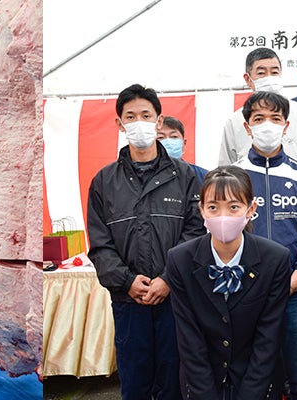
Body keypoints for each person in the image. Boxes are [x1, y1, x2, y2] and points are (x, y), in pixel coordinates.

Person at [87, 84, 204, 400]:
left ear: (158, 120)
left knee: (175, 382)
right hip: (129, 303)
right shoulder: (104, 181)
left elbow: (195, 234)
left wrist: (167, 279)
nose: (138, 122)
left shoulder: (185, 177)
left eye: (146, 115)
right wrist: (126, 282)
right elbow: (99, 244)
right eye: (130, 116)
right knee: (135, 382)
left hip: (175, 301)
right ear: (119, 124)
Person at [165, 165, 290, 399]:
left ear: (251, 209)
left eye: (234, 207)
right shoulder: (180, 259)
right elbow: (189, 337)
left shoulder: (275, 259)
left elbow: (269, 336)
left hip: (258, 382)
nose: (223, 216)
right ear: (201, 210)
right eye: (213, 207)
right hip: (202, 381)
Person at [235, 92, 297, 400]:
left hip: (295, 291)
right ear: (247, 127)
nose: (267, 126)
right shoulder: (232, 177)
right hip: (244, 291)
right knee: (253, 373)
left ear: (286, 126)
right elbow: (222, 233)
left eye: (275, 119)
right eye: (258, 119)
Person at [219, 47, 297, 204]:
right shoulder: (235, 121)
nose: (269, 77)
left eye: (274, 72)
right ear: (248, 78)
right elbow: (224, 174)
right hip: (252, 205)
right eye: (261, 73)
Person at [157, 116, 209, 183]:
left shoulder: (203, 176)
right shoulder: (145, 176)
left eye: (174, 137)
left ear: (184, 143)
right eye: (161, 137)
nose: (168, 142)